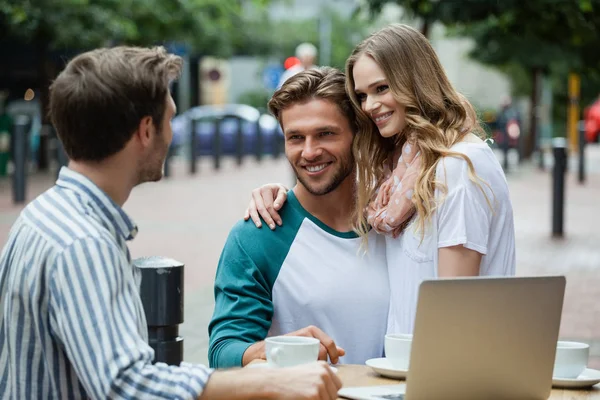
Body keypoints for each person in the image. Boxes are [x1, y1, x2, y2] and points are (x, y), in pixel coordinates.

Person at [0, 46, 341, 400]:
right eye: (169, 119)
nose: (173, 134)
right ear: (146, 130)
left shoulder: (44, 215)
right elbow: (126, 384)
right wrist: (270, 381)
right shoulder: (83, 242)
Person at [244, 24, 516, 335]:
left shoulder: (460, 165)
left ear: (415, 81)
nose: (370, 106)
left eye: (381, 88)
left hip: (449, 375)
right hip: (406, 370)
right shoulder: (399, 176)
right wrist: (281, 197)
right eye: (362, 95)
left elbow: (454, 311)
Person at [208, 67, 389, 369]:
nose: (309, 152)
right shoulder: (258, 234)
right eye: (295, 137)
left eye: (325, 134)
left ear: (357, 133)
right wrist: (280, 349)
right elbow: (223, 353)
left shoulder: (393, 219)